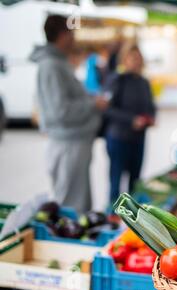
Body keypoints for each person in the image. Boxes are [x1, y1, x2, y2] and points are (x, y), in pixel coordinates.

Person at [30, 15, 109, 213]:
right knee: (70, 206)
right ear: (63, 35)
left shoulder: (58, 63)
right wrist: (92, 103)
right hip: (68, 145)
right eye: (71, 33)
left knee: (76, 202)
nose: (74, 37)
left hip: (73, 143)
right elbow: (60, 111)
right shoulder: (51, 65)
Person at [104, 42, 157, 204]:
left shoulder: (144, 82)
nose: (136, 61)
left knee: (135, 181)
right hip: (118, 138)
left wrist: (151, 117)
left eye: (138, 58)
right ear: (124, 60)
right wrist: (131, 120)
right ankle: (112, 215)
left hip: (138, 138)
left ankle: (132, 217)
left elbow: (151, 106)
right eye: (132, 58)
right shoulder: (117, 80)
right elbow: (108, 109)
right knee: (116, 180)